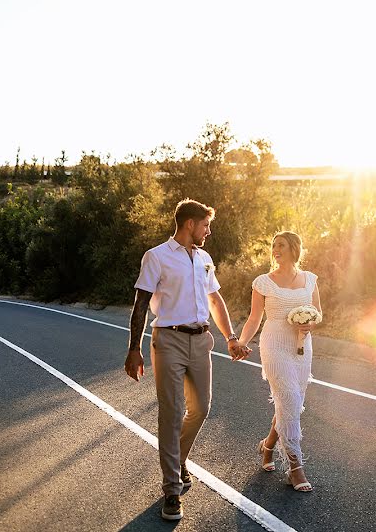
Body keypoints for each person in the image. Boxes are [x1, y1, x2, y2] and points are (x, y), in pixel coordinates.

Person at [124, 198, 251, 521]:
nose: (208, 231)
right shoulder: (157, 257)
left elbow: (214, 298)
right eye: (205, 225)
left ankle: (178, 459)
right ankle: (171, 489)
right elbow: (140, 304)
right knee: (172, 412)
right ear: (190, 224)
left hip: (201, 340)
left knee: (202, 408)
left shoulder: (205, 258)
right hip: (168, 340)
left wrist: (231, 338)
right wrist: (134, 348)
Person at [238, 231, 321, 492]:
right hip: (274, 345)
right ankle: (296, 468)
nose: (275, 249)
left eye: (281, 245)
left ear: (294, 248)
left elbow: (318, 314)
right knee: (290, 401)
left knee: (290, 404)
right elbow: (254, 319)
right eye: (273, 245)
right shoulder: (263, 282)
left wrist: (310, 325)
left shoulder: (310, 280)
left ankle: (267, 446)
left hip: (301, 347)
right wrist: (241, 342)